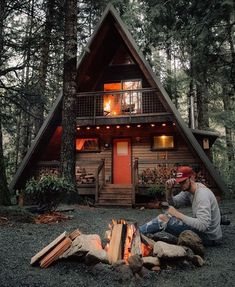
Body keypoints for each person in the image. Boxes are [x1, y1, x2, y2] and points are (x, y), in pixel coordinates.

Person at [139, 166, 222, 246]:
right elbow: (174, 203)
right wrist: (169, 190)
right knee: (165, 217)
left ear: (191, 178)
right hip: (205, 233)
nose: (181, 185)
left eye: (183, 181)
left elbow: (202, 226)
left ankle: (134, 234)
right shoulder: (189, 190)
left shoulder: (202, 194)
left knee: (162, 219)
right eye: (180, 182)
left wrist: (177, 214)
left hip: (210, 238)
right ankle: (136, 232)